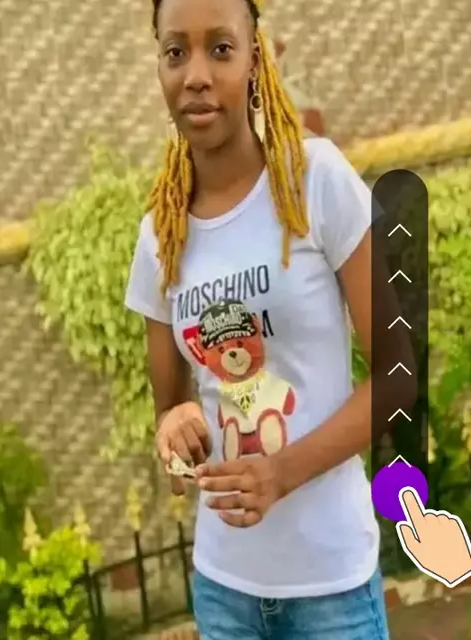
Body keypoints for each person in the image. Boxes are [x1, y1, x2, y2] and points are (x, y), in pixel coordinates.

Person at [125, 0, 408, 637]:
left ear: (255, 59)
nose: (197, 75)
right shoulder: (161, 235)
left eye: (220, 48)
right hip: (224, 593)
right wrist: (176, 431)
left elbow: (398, 377)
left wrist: (280, 474)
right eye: (176, 52)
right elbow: (172, 414)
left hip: (330, 590)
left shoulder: (315, 181)